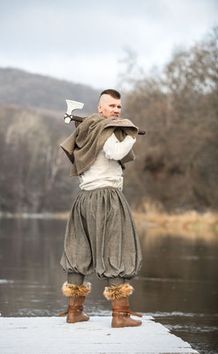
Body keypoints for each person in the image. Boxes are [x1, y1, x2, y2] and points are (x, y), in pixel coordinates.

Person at [59, 89, 142, 328]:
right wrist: (131, 136)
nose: (116, 110)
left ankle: (74, 311)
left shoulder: (85, 129)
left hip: (83, 199)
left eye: (119, 107)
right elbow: (114, 152)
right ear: (100, 108)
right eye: (112, 106)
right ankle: (120, 315)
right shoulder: (107, 131)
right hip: (107, 197)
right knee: (116, 249)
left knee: (78, 251)